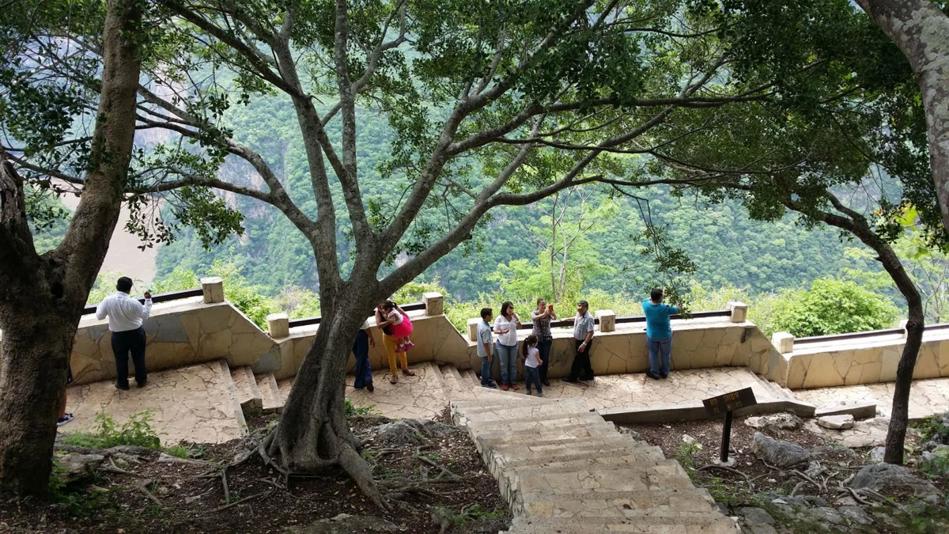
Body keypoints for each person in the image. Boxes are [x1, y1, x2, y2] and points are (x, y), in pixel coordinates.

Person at [95, 276, 152, 390]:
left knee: (120, 360)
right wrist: (148, 301)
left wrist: (99, 305)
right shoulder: (133, 302)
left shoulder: (108, 300)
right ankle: (141, 380)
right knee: (139, 358)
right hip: (136, 333)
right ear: (130, 289)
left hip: (118, 336)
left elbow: (99, 316)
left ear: (117, 286)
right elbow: (145, 315)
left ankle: (122, 383)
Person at [643, 287, 680, 380]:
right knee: (665, 354)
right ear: (660, 298)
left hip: (652, 335)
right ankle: (665, 372)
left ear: (651, 297)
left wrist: (656, 295)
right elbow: (678, 309)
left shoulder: (645, 305)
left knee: (653, 353)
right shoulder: (665, 308)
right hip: (665, 335)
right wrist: (677, 300)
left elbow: (646, 299)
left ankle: (655, 373)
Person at [375, 300, 416, 384]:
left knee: (402, 353)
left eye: (380, 305)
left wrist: (403, 324)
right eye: (378, 306)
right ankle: (394, 375)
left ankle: (405, 369)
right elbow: (379, 325)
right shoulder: (378, 312)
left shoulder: (392, 306)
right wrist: (389, 321)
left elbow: (405, 315)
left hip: (399, 335)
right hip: (388, 337)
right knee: (391, 356)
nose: (379, 307)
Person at [564, 299, 594, 383]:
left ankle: (573, 377)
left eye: (581, 307)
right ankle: (589, 374)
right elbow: (576, 318)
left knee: (578, 359)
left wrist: (584, 344)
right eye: (578, 306)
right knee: (585, 358)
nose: (579, 308)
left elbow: (591, 332)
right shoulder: (579, 314)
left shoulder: (589, 318)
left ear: (586, 308)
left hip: (584, 342)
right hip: (578, 341)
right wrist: (566, 319)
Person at [493, 301, 521, 391]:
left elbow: (520, 327)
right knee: (503, 365)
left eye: (512, 308)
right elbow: (495, 330)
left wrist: (516, 317)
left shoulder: (514, 317)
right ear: (505, 308)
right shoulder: (499, 318)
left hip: (513, 344)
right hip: (502, 344)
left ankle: (513, 382)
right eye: (510, 308)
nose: (511, 310)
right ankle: (505, 382)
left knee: (513, 364)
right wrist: (502, 331)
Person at [531, 298, 556, 386]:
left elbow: (555, 318)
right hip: (537, 339)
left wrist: (552, 312)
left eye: (544, 304)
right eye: (542, 304)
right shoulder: (534, 313)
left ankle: (544, 377)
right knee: (537, 359)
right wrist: (543, 314)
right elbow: (534, 318)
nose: (544, 306)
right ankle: (537, 378)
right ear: (538, 305)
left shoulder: (548, 313)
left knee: (545, 359)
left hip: (547, 338)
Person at [476, 307, 498, 388]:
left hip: (482, 350)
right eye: (491, 315)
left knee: (485, 365)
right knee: (486, 366)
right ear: (487, 316)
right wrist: (489, 355)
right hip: (486, 352)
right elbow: (486, 343)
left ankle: (485, 378)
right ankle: (485, 382)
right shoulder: (485, 329)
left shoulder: (480, 323)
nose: (492, 316)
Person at [352, 319, 375, 393]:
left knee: (359, 359)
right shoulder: (360, 313)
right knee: (364, 358)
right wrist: (371, 337)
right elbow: (366, 326)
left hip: (351, 336)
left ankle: (359, 382)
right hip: (361, 335)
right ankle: (368, 378)